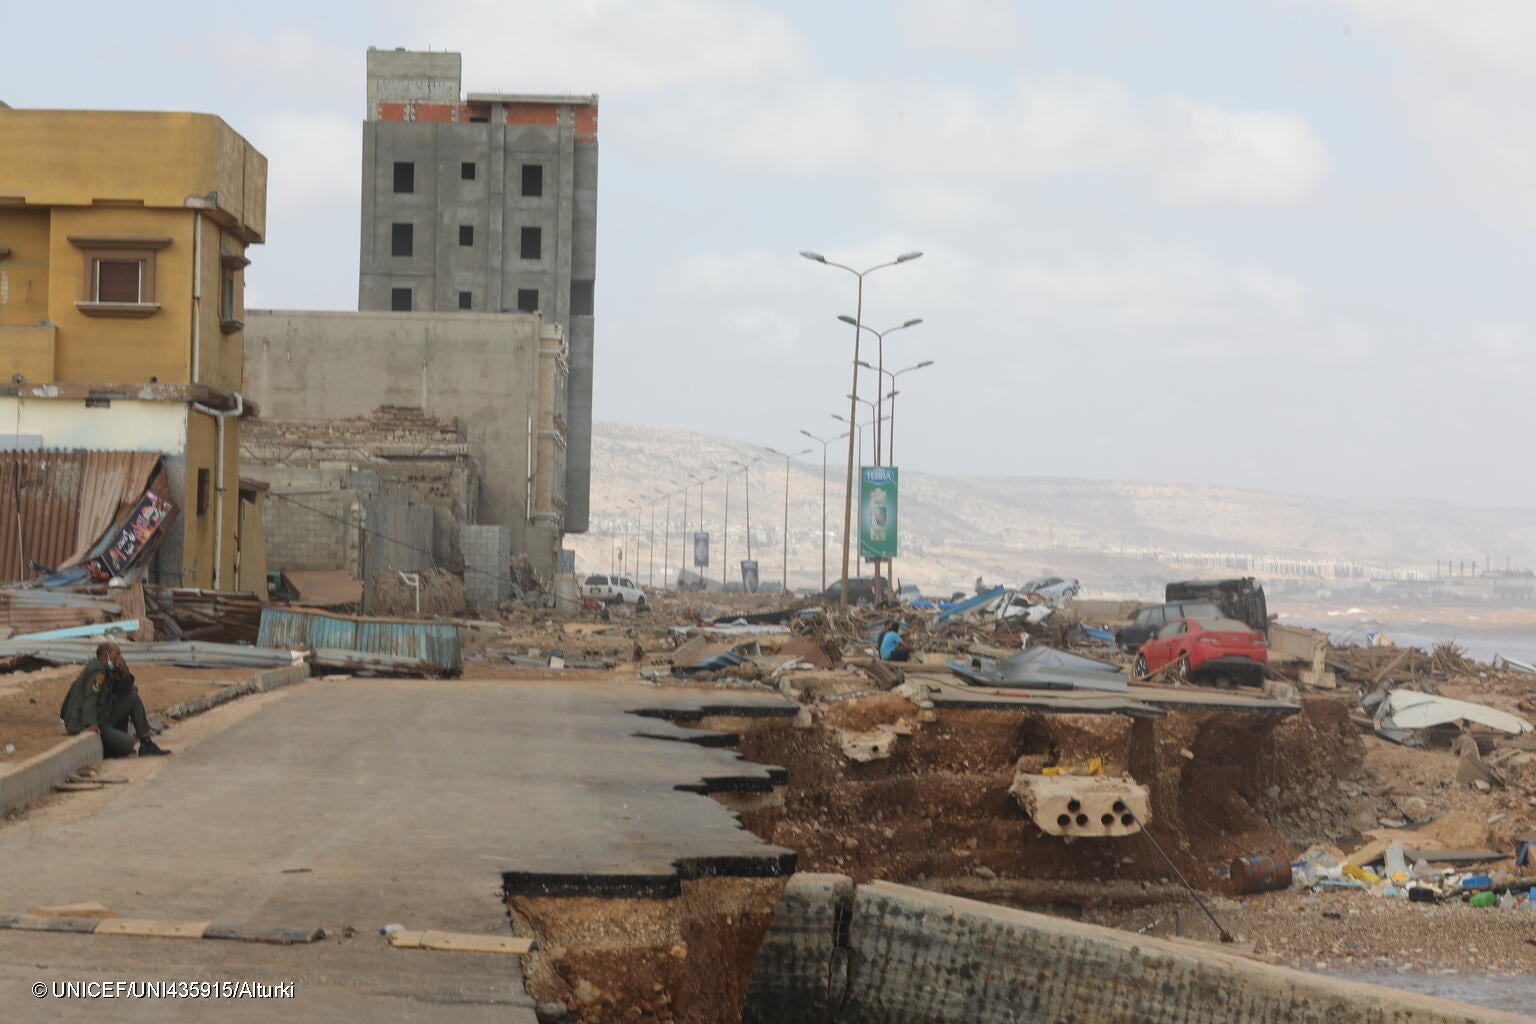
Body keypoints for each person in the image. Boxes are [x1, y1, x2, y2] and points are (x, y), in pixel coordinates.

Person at [59, 641, 169, 757]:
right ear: (107, 655)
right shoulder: (98, 671)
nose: (119, 658)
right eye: (117, 654)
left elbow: (125, 691)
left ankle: (146, 743)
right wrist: (90, 724)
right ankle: (109, 750)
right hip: (92, 722)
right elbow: (90, 697)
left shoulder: (109, 670)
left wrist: (125, 673)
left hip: (104, 716)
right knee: (128, 743)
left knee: (133, 698)